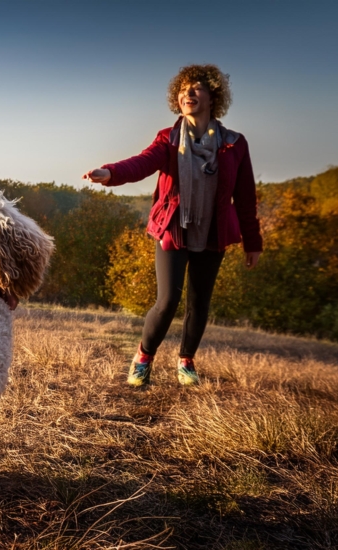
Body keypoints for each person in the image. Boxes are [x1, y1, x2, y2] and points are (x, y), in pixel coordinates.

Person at [83, 64, 262, 387]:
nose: (187, 94)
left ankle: (186, 362)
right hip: (174, 228)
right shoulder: (168, 139)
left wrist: (253, 241)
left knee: (199, 302)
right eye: (182, 90)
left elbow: (246, 196)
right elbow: (141, 163)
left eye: (195, 89)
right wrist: (110, 173)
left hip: (213, 231)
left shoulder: (235, 144)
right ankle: (143, 357)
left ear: (213, 96)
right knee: (167, 301)